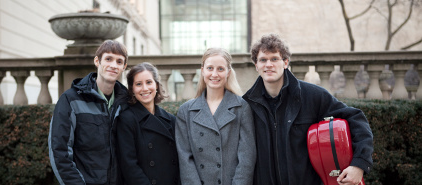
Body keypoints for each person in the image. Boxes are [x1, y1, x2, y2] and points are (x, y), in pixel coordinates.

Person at [242, 33, 374, 185]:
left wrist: (359, 164)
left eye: (274, 59)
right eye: (263, 60)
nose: (268, 64)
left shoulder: (312, 95)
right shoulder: (247, 104)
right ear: (256, 65)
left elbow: (355, 118)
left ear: (285, 62)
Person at [48, 40, 129, 185]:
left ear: (124, 67)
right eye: (108, 59)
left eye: (119, 61)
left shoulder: (127, 103)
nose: (113, 65)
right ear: (97, 61)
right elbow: (60, 152)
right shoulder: (71, 99)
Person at [175, 48, 256, 185]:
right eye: (210, 68)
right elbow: (185, 158)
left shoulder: (241, 107)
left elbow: (246, 157)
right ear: (202, 71)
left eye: (220, 69)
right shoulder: (186, 111)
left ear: (228, 73)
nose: (214, 74)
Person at [116, 62, 180, 185]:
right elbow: (129, 166)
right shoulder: (127, 119)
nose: (145, 88)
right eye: (138, 84)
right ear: (132, 89)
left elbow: (179, 162)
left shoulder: (171, 120)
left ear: (156, 85)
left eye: (149, 82)